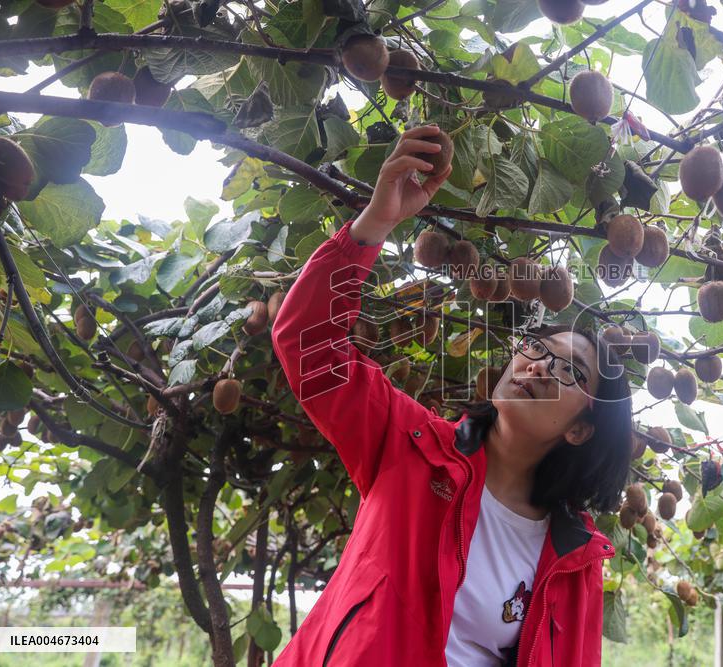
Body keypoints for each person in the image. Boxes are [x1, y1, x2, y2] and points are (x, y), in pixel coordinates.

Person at [271, 124, 634, 666]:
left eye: (571, 370)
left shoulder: (575, 557)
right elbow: (308, 344)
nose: (539, 364)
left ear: (581, 429)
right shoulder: (410, 446)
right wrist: (376, 223)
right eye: (537, 346)